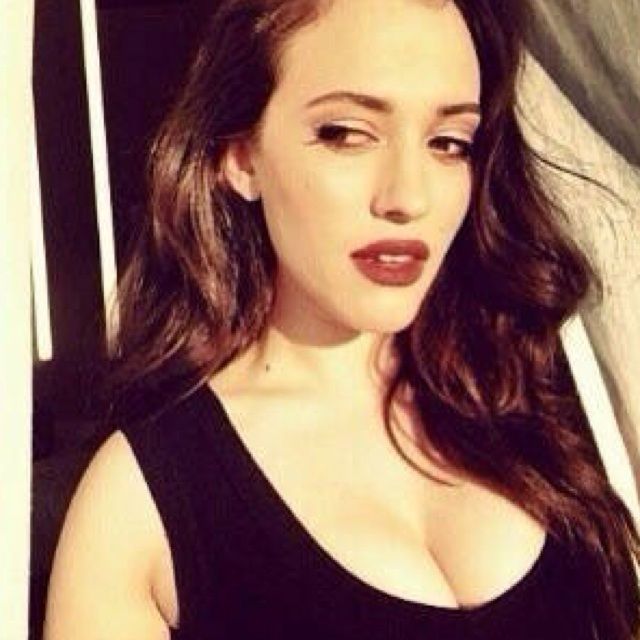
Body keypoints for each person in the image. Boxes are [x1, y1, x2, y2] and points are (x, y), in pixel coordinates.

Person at [44, 0, 640, 638]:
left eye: (448, 143)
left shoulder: (523, 401)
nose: (408, 197)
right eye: (346, 134)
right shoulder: (144, 506)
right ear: (240, 155)